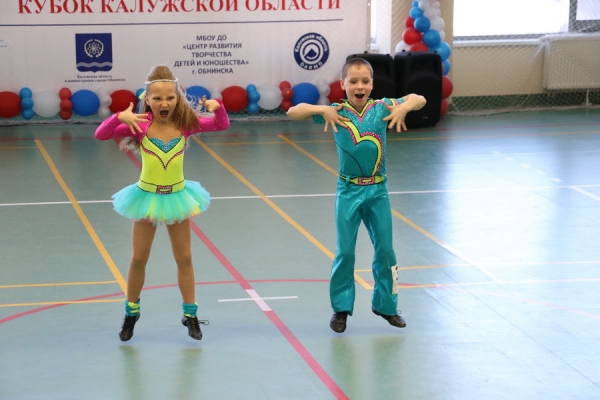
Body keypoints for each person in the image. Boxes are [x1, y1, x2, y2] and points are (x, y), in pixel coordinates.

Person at [287, 57, 426, 333]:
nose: (359, 86)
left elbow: (419, 98)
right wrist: (322, 109)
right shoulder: (336, 112)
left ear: (372, 84)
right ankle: (341, 309)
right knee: (346, 252)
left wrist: (405, 106)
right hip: (348, 191)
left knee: (385, 250)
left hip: (378, 191)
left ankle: (387, 306)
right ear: (343, 84)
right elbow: (293, 111)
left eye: (365, 81)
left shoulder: (382, 107)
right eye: (353, 81)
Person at [95, 65, 230, 341]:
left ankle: (190, 315)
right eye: (157, 98)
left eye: (170, 97)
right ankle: (131, 313)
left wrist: (219, 108)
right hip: (146, 198)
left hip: (177, 198)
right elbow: (101, 134)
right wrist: (118, 117)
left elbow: (221, 124)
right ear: (147, 99)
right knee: (139, 258)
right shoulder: (140, 124)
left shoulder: (186, 124)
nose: (164, 103)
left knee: (185, 257)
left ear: (178, 98)